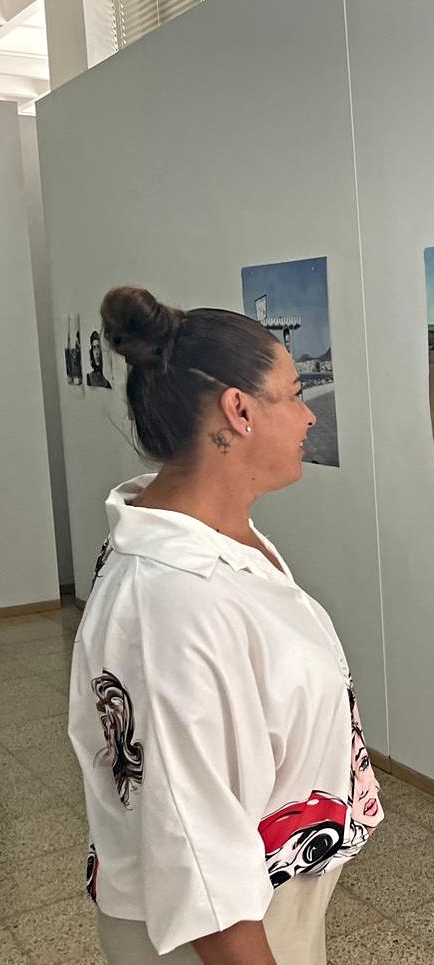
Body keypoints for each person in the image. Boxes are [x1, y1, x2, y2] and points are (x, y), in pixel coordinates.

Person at [70, 287, 383, 965]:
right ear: (238, 410)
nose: (307, 416)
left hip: (273, 896)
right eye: (294, 393)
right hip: (218, 937)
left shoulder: (217, 544)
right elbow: (197, 857)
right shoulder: (172, 601)